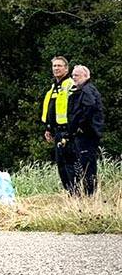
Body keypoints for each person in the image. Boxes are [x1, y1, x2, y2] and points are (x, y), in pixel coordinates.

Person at [66, 65, 105, 196]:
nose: (74, 78)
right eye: (73, 75)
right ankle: (87, 194)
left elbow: (90, 108)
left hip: (87, 135)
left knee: (87, 166)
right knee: (83, 165)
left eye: (77, 75)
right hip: (84, 134)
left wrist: (80, 127)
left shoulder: (87, 90)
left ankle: (90, 195)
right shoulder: (80, 91)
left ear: (86, 76)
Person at [41, 56, 75, 192]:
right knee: (61, 163)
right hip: (57, 130)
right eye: (54, 66)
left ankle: (75, 193)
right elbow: (52, 109)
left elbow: (74, 109)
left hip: (67, 130)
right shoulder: (55, 86)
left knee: (69, 163)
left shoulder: (69, 85)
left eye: (59, 66)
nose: (56, 68)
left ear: (66, 68)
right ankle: (69, 192)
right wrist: (48, 127)